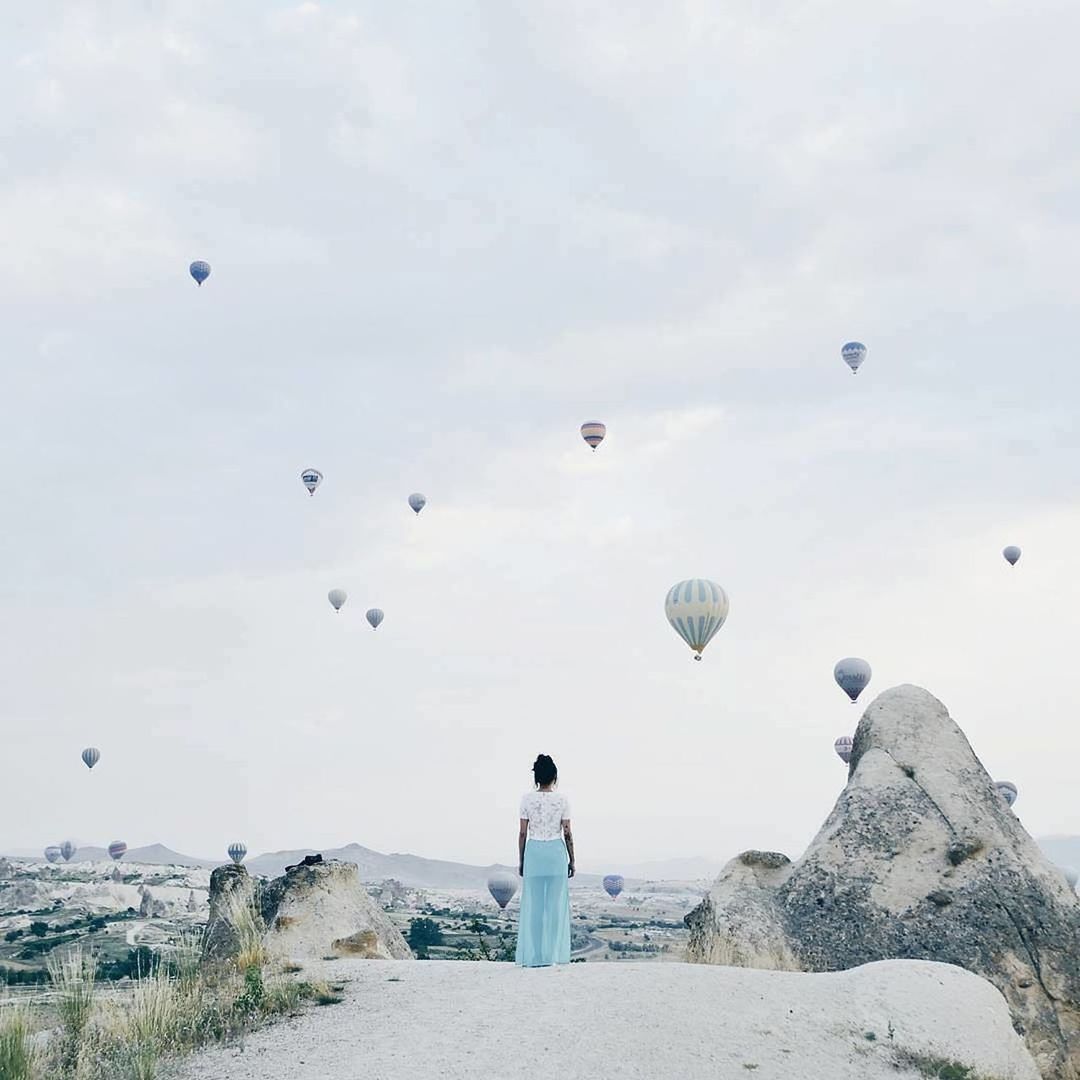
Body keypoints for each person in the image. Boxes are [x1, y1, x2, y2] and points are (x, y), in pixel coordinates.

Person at [516, 753, 574, 967]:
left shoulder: (526, 799)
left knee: (535, 907)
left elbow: (522, 833)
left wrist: (522, 860)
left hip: (534, 853)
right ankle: (552, 955)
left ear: (536, 777)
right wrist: (572, 859)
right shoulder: (562, 800)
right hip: (556, 854)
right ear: (555, 777)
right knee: (555, 907)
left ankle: (536, 955)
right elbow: (567, 832)